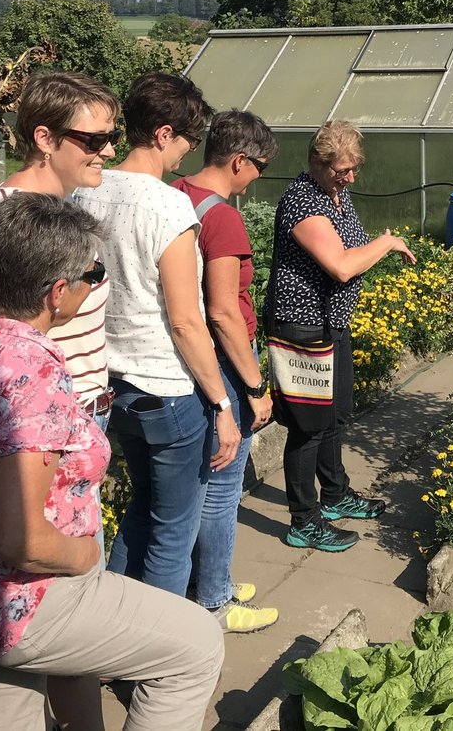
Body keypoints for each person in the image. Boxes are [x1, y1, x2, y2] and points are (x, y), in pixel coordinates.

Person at [0, 193, 223, 731]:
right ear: (57, 292)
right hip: (24, 599)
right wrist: (84, 558)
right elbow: (22, 540)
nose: (95, 284)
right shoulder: (30, 370)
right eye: (94, 274)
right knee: (195, 646)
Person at [74, 72, 241, 596]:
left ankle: (114, 623)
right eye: (187, 142)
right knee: (173, 532)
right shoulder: (167, 205)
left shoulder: (85, 191)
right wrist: (222, 403)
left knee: (142, 509)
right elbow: (187, 321)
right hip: (166, 390)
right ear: (164, 133)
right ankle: (155, 661)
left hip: (112, 382)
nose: (187, 157)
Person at [264, 120, 415, 552]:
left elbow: (351, 248)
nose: (349, 178)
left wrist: (378, 243)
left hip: (333, 324)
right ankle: (303, 520)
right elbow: (342, 265)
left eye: (354, 169)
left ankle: (333, 496)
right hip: (302, 327)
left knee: (336, 415)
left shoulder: (336, 193)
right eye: (341, 170)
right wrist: (386, 243)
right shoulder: (302, 201)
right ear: (316, 162)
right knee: (308, 427)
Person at [172, 110, 280, 633]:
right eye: (258, 166)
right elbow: (223, 311)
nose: (257, 178)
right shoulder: (222, 216)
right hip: (222, 356)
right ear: (239, 161)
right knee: (223, 484)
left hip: (185, 360)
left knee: (201, 478)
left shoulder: (175, 192)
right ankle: (215, 598)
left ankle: (208, 578)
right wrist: (256, 387)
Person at [0, 71, 123, 431]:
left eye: (112, 137)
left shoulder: (59, 207)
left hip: (77, 407)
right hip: (49, 416)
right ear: (45, 139)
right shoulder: (11, 216)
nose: (110, 151)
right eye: (94, 140)